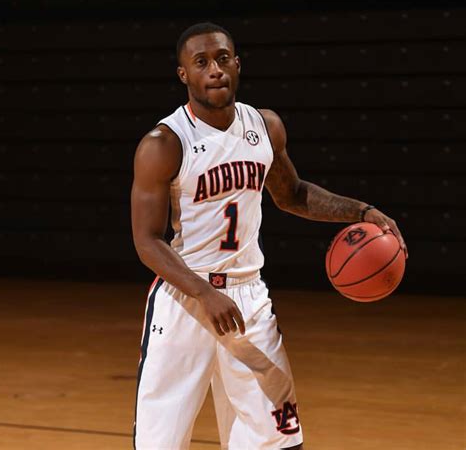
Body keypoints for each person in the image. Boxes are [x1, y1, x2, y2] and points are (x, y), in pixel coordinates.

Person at [130, 22, 407, 450]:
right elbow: (147, 241)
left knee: (278, 439)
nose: (215, 69)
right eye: (201, 62)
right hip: (186, 301)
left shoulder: (265, 126)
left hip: (248, 300)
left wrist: (363, 212)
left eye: (223, 58)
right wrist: (203, 293)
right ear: (184, 74)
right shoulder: (164, 143)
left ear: (237, 64)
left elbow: (293, 194)